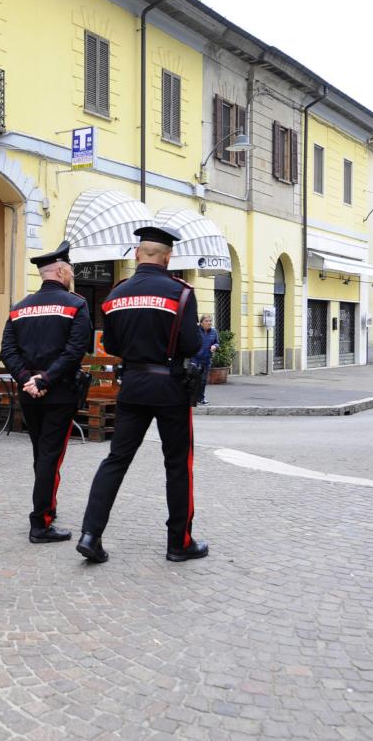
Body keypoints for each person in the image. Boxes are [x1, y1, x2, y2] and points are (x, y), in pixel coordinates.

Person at [76, 226, 209, 564]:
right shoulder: (180, 292)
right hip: (171, 388)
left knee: (116, 461)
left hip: (132, 385)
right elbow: (192, 345)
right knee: (178, 465)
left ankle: (90, 534)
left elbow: (111, 345)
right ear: (168, 257)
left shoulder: (116, 293)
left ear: (137, 254)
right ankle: (179, 542)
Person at [0, 240, 92, 544]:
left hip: (29, 394)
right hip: (59, 394)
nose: (71, 276)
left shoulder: (19, 307)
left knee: (42, 453)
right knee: (51, 456)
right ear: (63, 271)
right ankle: (40, 524)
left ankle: (47, 507)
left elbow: (8, 351)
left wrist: (28, 379)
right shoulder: (76, 304)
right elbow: (76, 350)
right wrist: (46, 379)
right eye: (71, 271)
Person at [194, 314, 219, 405]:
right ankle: (191, 398)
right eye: (206, 321)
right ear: (201, 322)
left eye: (210, 321)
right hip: (195, 359)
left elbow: (217, 343)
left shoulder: (214, 332)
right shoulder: (196, 331)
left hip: (207, 359)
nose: (209, 323)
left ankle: (201, 398)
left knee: (203, 380)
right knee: (194, 379)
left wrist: (214, 346)